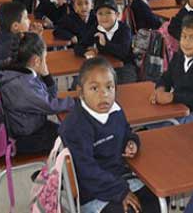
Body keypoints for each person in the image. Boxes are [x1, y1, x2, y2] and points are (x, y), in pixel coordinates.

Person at [59, 57, 160, 213]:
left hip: (120, 177)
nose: (104, 94)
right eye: (94, 88)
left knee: (158, 199)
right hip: (92, 192)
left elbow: (126, 131)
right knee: (130, 210)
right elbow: (86, 171)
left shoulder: (115, 111)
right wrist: (120, 192)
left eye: (109, 87)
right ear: (80, 92)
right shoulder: (75, 126)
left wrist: (131, 141)